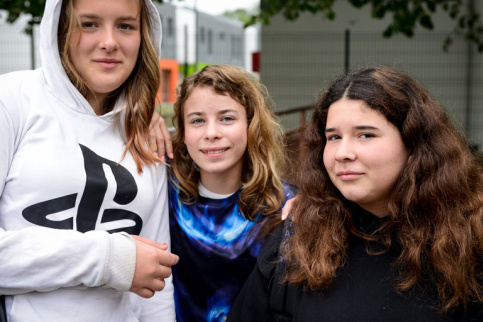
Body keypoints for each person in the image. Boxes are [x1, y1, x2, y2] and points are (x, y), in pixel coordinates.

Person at [227, 66, 483, 321]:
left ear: (413, 143)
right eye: (334, 137)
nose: (342, 153)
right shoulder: (296, 238)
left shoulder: (468, 242)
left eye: (365, 135)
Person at [0, 0, 179, 320]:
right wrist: (111, 260)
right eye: (89, 24)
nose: (109, 41)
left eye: (125, 25)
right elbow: (128, 260)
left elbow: (156, 284)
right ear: (60, 27)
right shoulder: (12, 100)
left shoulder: (145, 133)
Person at [168, 65, 296, 321]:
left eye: (227, 118)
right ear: (182, 132)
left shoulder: (286, 206)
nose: (212, 133)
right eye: (197, 120)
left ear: (251, 125)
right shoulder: (164, 196)